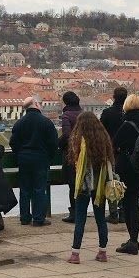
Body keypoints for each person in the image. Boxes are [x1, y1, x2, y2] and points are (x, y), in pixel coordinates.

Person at [66, 112, 114, 264]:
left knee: (80, 218)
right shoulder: (103, 138)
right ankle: (103, 252)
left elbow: (74, 161)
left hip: (83, 183)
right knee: (100, 218)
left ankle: (75, 254)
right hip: (99, 183)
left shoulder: (78, 139)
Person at [9, 96, 59, 226]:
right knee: (39, 189)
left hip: (24, 159)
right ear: (36, 104)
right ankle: (38, 218)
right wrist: (49, 157)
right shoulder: (46, 122)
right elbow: (53, 143)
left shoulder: (19, 123)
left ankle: (25, 218)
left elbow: (13, 143)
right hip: (41, 159)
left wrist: (20, 154)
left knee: (25, 189)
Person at [112, 94, 139, 254]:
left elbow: (115, 143)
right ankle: (135, 239)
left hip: (128, 168)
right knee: (135, 202)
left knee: (128, 204)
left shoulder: (127, 124)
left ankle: (132, 241)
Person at [101, 87, 127, 224]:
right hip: (126, 152)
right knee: (124, 182)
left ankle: (113, 213)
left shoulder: (107, 113)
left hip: (111, 152)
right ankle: (123, 211)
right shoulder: (128, 113)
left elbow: (101, 132)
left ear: (114, 97)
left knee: (111, 181)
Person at [58, 91, 83, 224]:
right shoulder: (84, 114)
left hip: (72, 155)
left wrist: (59, 143)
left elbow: (67, 135)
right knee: (83, 184)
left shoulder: (66, 115)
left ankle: (74, 212)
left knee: (72, 185)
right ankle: (82, 210)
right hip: (85, 154)